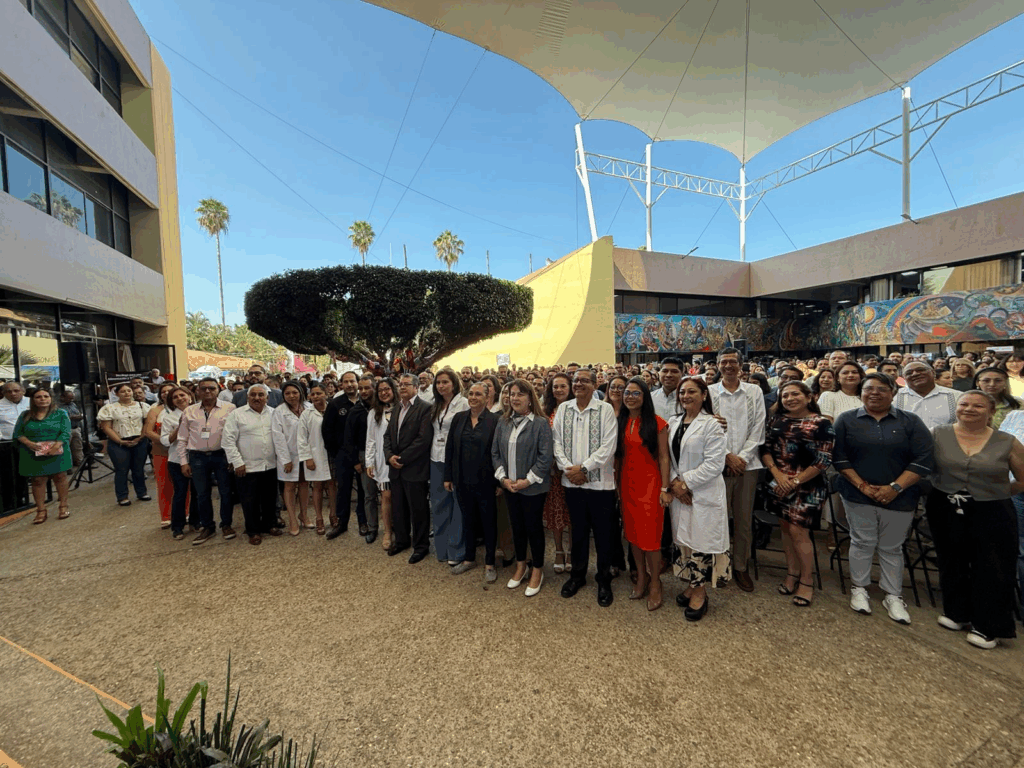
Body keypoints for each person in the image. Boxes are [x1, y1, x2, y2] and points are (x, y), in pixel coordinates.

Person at [832, 372, 934, 625]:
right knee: (862, 541)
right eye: (869, 389)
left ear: (893, 392)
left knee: (892, 547)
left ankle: (893, 594)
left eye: (881, 389)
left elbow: (923, 459)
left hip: (901, 494)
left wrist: (895, 488)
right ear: (861, 393)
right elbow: (839, 457)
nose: (874, 393)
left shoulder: (910, 421)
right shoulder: (846, 420)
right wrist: (862, 486)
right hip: (857, 493)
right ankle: (859, 588)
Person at [927, 390, 1024, 649]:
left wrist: (997, 492)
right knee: (951, 559)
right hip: (945, 505)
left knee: (992, 565)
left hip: (992, 509)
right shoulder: (938, 434)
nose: (969, 409)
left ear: (991, 411)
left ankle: (988, 626)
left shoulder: (1007, 441)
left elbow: (1022, 479)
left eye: (978, 406)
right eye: (964, 404)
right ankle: (957, 612)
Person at [761, 381, 835, 608]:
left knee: (798, 531)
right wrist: (778, 476)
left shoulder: (821, 423)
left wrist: (794, 481)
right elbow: (765, 449)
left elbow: (823, 459)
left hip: (808, 486)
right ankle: (791, 573)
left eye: (795, 394)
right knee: (785, 528)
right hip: (779, 483)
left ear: (809, 397)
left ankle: (806, 580)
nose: (790, 399)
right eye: (785, 396)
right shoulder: (776, 420)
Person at [553, 368, 618, 607]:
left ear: (594, 384)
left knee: (603, 534)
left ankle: (604, 579)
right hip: (572, 482)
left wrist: (584, 469)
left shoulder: (605, 409)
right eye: (575, 380)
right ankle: (577, 576)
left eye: (583, 380)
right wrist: (569, 469)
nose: (578, 384)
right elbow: (556, 443)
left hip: (601, 485)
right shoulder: (564, 409)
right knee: (578, 532)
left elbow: (609, 445)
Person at [667, 377, 729, 621]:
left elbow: (715, 464)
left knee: (701, 544)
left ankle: (700, 593)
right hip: (681, 494)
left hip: (704, 493)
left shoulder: (712, 424)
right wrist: (674, 482)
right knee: (686, 542)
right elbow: (667, 458)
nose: (685, 396)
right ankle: (692, 585)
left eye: (691, 391)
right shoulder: (674, 422)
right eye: (682, 392)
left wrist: (685, 484)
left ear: (704, 395)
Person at [709, 347, 766, 592]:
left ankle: (741, 566)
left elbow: (758, 427)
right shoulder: (709, 392)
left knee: (743, 520)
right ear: (718, 365)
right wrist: (726, 457)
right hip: (716, 465)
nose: (728, 366)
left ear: (741, 365)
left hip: (747, 466)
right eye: (724, 362)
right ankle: (720, 566)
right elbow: (705, 428)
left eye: (733, 361)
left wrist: (741, 458)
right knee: (717, 519)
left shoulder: (754, 391)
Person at [491, 379, 553, 596]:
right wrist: (503, 478)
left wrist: (527, 480)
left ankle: (537, 569)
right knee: (516, 527)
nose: (514, 398)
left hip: (532, 488)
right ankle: (521, 565)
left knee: (533, 528)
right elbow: (495, 453)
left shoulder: (540, 423)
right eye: (511, 394)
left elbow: (545, 457)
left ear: (530, 398)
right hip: (510, 486)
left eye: (520, 394)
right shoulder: (503, 422)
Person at [617, 378, 671, 611]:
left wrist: (665, 488)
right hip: (627, 485)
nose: (630, 397)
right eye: (627, 393)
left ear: (645, 396)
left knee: (650, 538)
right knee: (632, 535)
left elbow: (664, 458)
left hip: (651, 486)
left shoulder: (657, 423)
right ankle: (642, 577)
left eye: (635, 393)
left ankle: (656, 582)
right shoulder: (620, 422)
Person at [444, 382, 500, 581]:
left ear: (487, 397)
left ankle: (490, 563)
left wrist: (500, 482)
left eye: (478, 394)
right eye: (471, 394)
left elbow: (499, 453)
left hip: (487, 481)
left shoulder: (495, 420)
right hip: (462, 479)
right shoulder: (459, 418)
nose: (473, 397)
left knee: (488, 522)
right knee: (467, 520)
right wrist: (448, 476)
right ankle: (469, 559)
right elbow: (450, 448)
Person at [177, 378, 236, 544]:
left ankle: (226, 524)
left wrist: (233, 458)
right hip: (197, 457)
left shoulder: (230, 408)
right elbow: (182, 438)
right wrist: (183, 461)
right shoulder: (189, 411)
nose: (208, 391)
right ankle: (207, 526)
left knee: (226, 492)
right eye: (203, 389)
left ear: (218, 390)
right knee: (202, 494)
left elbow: (235, 435)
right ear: (197, 391)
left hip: (222, 455)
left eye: (211, 388)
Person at [223, 383, 281, 545]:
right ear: (247, 397)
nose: (257, 398)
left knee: (269, 498)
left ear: (267, 398)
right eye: (253, 395)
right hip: (246, 466)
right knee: (250, 501)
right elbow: (227, 440)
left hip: (270, 465)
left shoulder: (274, 413)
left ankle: (269, 525)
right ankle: (253, 531)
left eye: (261, 395)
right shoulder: (237, 415)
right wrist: (237, 462)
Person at [384, 372, 433, 563]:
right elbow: (388, 435)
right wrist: (389, 456)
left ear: (416, 387)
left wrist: (402, 458)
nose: (402, 387)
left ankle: (421, 547)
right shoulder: (397, 407)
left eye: (406, 384)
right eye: (400, 385)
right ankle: (402, 540)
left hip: (414, 468)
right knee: (399, 508)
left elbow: (423, 440)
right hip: (395, 468)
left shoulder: (425, 408)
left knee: (418, 510)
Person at [427, 369, 469, 565]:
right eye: (438, 383)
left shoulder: (463, 403)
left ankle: (456, 550)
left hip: (455, 460)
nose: (441, 386)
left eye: (445, 382)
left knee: (457, 506)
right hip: (436, 458)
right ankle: (441, 548)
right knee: (438, 505)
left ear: (454, 383)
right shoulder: (435, 404)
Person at [13, 387, 71, 523]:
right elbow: (18, 434)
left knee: (60, 477)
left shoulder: (60, 413)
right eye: (38, 397)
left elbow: (66, 432)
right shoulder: (25, 415)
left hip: (57, 451)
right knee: (37, 480)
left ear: (51, 398)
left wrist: (56, 446)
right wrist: (29, 443)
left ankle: (63, 506)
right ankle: (41, 510)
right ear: (33, 400)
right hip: (32, 452)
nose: (42, 399)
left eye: (46, 396)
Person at [324, 371, 365, 536]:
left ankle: (363, 521)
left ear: (357, 383)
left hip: (362, 453)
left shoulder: (366, 402)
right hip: (342, 455)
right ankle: (342, 523)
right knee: (343, 490)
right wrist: (336, 453)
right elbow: (327, 431)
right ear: (341, 384)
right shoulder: (335, 404)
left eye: (352, 381)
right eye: (346, 382)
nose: (349, 385)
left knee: (363, 489)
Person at [98, 383, 152, 507]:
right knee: (121, 470)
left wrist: (140, 437)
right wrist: (120, 441)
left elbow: (147, 423)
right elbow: (106, 427)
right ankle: (122, 497)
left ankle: (142, 493)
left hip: (139, 441)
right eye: (123, 391)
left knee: (138, 469)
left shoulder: (142, 406)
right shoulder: (110, 408)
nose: (127, 393)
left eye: (129, 390)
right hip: (118, 443)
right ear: (117, 394)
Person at [542, 372, 574, 573]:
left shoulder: (576, 409)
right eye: (555, 386)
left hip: (572, 469)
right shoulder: (545, 411)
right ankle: (559, 550)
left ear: (570, 388)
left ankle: (571, 550)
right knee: (556, 513)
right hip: (553, 471)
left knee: (572, 513)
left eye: (563, 386)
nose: (559, 390)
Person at [272, 381, 311, 536]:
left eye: (295, 392)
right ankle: (293, 520)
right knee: (289, 486)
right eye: (287, 393)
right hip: (289, 455)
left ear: (301, 393)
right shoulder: (279, 412)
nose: (291, 396)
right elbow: (278, 437)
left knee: (304, 484)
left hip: (306, 454)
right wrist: (285, 459)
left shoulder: (308, 408)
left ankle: (304, 515)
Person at [342, 375, 378, 543]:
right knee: (368, 494)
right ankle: (372, 527)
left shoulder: (384, 407)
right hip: (363, 456)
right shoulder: (355, 411)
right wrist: (355, 461)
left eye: (367, 388)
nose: (363, 391)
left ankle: (393, 524)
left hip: (384, 454)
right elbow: (348, 439)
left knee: (389, 494)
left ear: (374, 388)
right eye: (361, 388)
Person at [160, 386, 198, 540]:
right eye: (175, 397)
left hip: (197, 458)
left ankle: (196, 522)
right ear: (172, 402)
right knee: (180, 493)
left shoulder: (199, 412)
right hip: (177, 460)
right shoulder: (168, 417)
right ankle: (178, 527)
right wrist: (179, 427)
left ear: (190, 396)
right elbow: (165, 441)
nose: (180, 399)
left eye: (182, 395)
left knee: (198, 492)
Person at [297, 383, 334, 535]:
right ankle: (319, 518)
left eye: (319, 393)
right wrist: (307, 458)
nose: (316, 396)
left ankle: (333, 515)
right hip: (315, 455)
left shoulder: (333, 409)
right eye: (313, 394)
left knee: (332, 486)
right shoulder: (306, 414)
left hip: (332, 455)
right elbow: (301, 438)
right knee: (317, 486)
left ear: (326, 394)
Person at [366, 377, 398, 549]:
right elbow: (370, 440)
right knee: (386, 496)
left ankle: (401, 529)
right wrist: (369, 462)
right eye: (380, 391)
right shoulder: (374, 413)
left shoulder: (402, 408)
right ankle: (387, 531)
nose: (384, 393)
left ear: (393, 390)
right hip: (383, 461)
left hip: (401, 459)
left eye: (387, 389)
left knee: (401, 497)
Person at [143, 383, 179, 528]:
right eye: (163, 391)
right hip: (161, 451)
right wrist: (165, 441)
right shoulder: (155, 410)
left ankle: (186, 512)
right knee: (164, 484)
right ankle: (166, 515)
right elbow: (148, 431)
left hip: (182, 452)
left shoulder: (186, 408)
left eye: (170, 390)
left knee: (185, 484)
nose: (166, 393)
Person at [894, 361, 959, 431]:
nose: (915, 374)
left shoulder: (957, 396)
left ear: (933, 373)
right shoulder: (894, 397)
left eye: (920, 370)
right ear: (904, 378)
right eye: (909, 373)